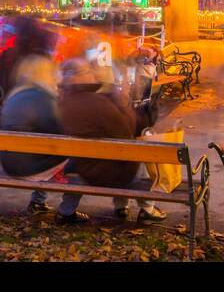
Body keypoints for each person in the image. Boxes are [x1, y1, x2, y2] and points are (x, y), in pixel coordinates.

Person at [57, 58, 164, 223]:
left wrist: (115, 100)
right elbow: (125, 134)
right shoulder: (96, 103)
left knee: (115, 155)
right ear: (76, 77)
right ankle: (148, 208)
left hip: (80, 166)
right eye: (87, 71)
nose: (92, 73)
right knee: (142, 158)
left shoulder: (65, 101)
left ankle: (117, 207)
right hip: (105, 172)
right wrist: (126, 108)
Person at [0, 53, 66, 214]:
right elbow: (60, 132)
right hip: (29, 169)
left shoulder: (15, 95)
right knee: (78, 153)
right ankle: (67, 211)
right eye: (52, 72)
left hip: (10, 164)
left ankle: (38, 201)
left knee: (46, 151)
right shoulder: (43, 98)